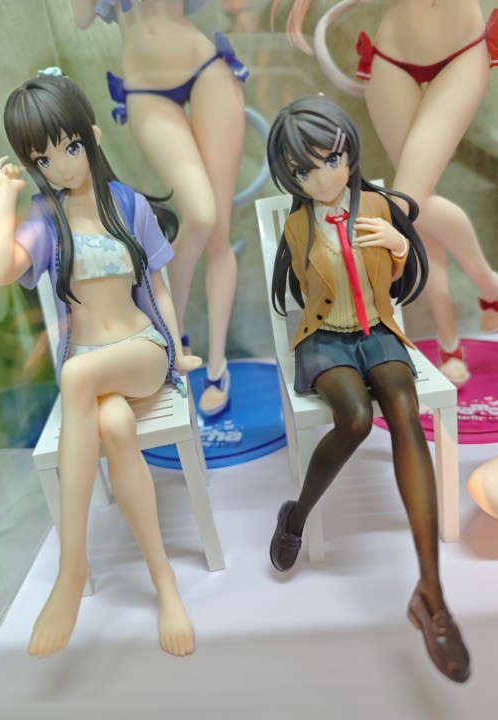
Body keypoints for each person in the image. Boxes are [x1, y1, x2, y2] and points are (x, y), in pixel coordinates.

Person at [0, 70, 201, 659]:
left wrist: (177, 349)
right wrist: (5, 195)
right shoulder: (45, 219)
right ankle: (165, 584)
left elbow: (157, 287)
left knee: (77, 377)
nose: (60, 166)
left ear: (93, 137)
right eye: (43, 158)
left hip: (141, 354)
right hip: (90, 370)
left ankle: (72, 566)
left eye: (70, 147)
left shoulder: (128, 205)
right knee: (114, 424)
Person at [266, 94, 470, 682]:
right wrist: (329, 247)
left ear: (349, 152)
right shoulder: (298, 225)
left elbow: (397, 282)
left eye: (331, 160)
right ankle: (295, 516)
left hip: (379, 331)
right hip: (325, 339)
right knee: (355, 418)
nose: (322, 178)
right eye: (304, 171)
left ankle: (431, 595)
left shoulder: (380, 205)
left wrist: (400, 247)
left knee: (404, 408)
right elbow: (306, 291)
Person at [272, 0, 498, 388]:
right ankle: (452, 335)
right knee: (418, 203)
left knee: (408, 198)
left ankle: (487, 284)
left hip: (462, 49)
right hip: (393, 56)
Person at [71, 0, 249, 416]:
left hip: (205, 68)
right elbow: (81, 19)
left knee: (218, 232)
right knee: (200, 216)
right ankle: (174, 335)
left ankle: (217, 366)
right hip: (146, 89)